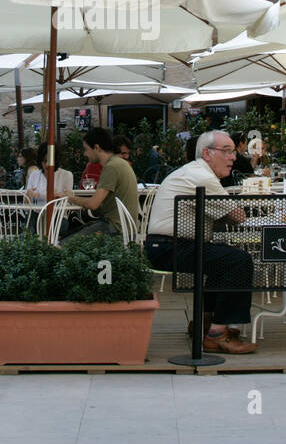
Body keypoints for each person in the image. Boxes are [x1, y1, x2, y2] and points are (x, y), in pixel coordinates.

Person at [145, 131, 258, 354]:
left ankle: (204, 323)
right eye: (226, 151)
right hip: (169, 247)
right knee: (239, 260)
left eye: (233, 152)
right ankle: (218, 334)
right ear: (206, 153)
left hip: (165, 246)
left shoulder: (195, 172)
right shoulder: (203, 177)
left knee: (224, 258)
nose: (233, 158)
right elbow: (239, 217)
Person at [64, 128, 139, 239]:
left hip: (116, 230)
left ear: (96, 148)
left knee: (64, 245)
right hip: (126, 229)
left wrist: (70, 197)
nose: (85, 154)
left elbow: (93, 204)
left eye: (86, 149)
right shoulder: (119, 163)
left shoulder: (111, 167)